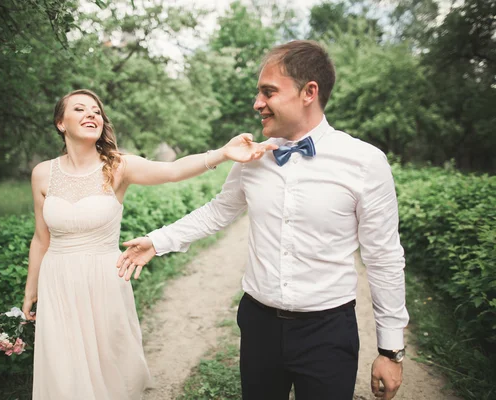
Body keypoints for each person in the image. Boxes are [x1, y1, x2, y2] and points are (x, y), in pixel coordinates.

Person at [117, 40, 409, 400]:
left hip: (328, 331)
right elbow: (218, 211)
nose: (257, 103)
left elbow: (383, 257)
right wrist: (158, 241)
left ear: (309, 92)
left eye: (268, 92)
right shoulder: (253, 158)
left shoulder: (365, 163)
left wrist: (390, 349)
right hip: (258, 325)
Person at [21, 88, 276, 400]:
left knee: (108, 368)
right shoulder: (42, 174)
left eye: (96, 111)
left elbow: (171, 171)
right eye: (79, 109)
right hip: (58, 281)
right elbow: (40, 238)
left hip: (104, 279)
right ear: (61, 123)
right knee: (63, 369)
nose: (91, 114)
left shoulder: (117, 166)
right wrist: (31, 290)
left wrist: (222, 153)